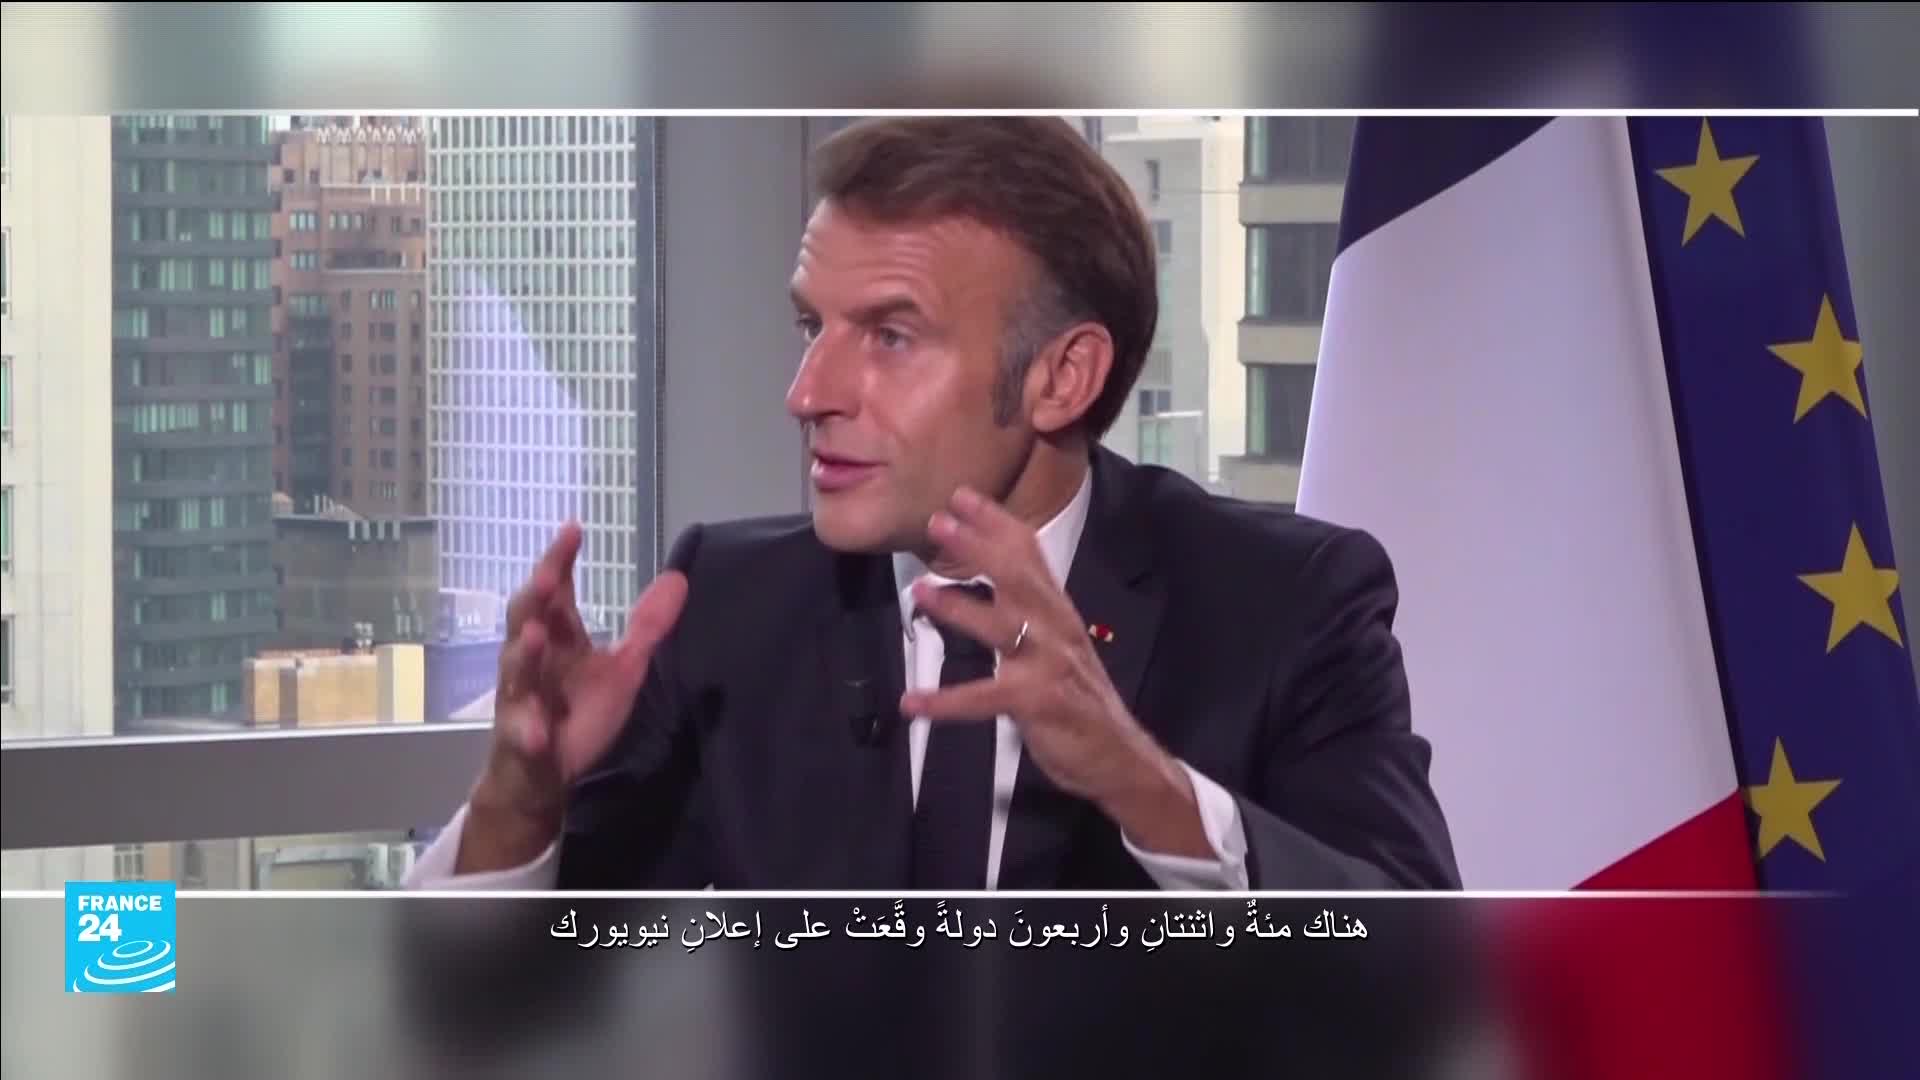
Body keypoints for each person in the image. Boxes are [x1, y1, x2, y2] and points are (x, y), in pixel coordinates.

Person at [406, 117, 1460, 891]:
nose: (808, 394)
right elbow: (488, 1008)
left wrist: (1146, 787)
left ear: (1062, 378)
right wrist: (518, 800)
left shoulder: (1285, 603)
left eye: (891, 335)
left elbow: (1421, 979)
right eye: (812, 327)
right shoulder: (726, 606)